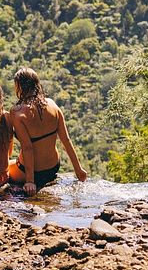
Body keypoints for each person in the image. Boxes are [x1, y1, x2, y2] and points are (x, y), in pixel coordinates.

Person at [7, 67, 88, 195]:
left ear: (19, 87)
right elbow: (66, 140)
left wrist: (30, 181)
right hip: (53, 168)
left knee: (4, 168)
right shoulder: (52, 104)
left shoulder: (17, 112)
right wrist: (79, 170)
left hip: (31, 172)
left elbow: (28, 148)